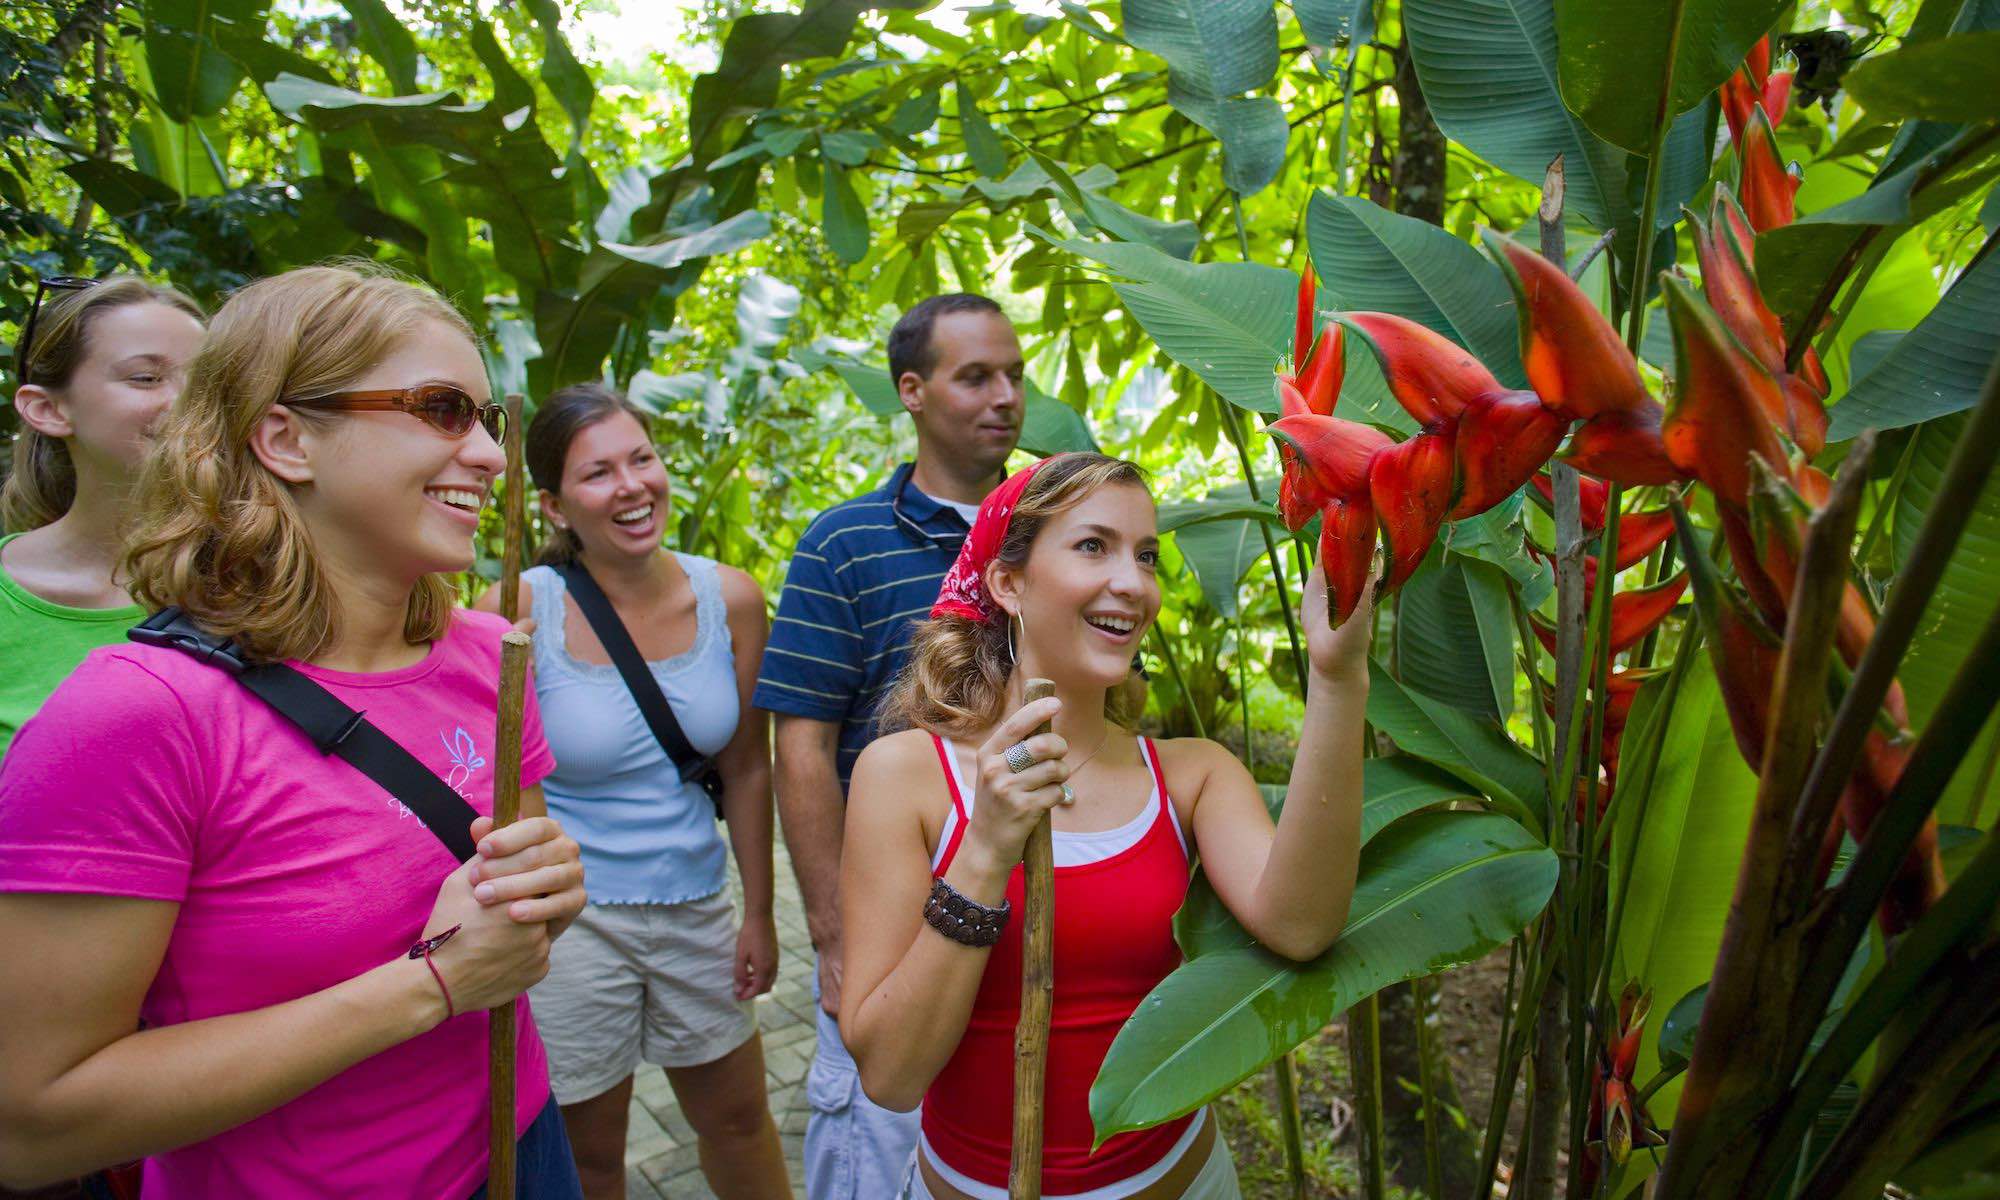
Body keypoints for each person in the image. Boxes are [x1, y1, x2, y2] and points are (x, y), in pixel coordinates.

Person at [0, 264, 587, 1199]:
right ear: (286, 439)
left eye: (488, 421)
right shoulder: (135, 714)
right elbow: (31, 1123)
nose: (486, 453)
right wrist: (429, 986)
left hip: (523, 1144)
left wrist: (545, 887)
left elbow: (508, 911)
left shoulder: (483, 652)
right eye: (441, 409)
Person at [840, 452, 1373, 1200]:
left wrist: (1338, 677)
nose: (1135, 582)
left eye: (1147, 555)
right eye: (1094, 545)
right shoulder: (904, 776)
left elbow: (1303, 925)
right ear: (1008, 582)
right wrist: (985, 850)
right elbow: (892, 1077)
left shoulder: (1192, 774)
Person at [473, 383, 788, 1200]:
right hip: (572, 928)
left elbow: (749, 766)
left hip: (696, 907)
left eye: (641, 458)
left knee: (740, 1124)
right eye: (598, 473)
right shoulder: (511, 612)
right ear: (553, 506)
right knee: (591, 1157)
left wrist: (758, 910)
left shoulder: (733, 598)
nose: (631, 486)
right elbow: (500, 789)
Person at [754, 293, 1025, 1199]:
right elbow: (802, 746)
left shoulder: (1057, 532)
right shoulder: (843, 543)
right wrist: (832, 930)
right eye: (974, 376)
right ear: (911, 390)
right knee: (879, 1150)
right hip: (893, 915)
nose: (1004, 398)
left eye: (1014, 376)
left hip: (1030, 904)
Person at [1, 275, 205, 757]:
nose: (186, 403)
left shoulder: (272, 584)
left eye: (204, 381)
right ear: (47, 409)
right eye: (146, 378)